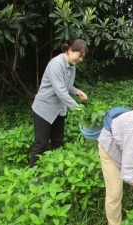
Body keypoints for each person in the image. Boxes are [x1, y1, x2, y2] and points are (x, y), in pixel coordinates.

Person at [30, 38, 89, 167]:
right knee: (41, 142)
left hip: (59, 109)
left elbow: (67, 86)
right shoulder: (56, 64)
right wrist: (79, 108)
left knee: (57, 141)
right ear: (69, 50)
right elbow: (61, 92)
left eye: (82, 57)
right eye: (79, 56)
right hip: (44, 109)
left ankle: (55, 169)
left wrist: (77, 91)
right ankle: (32, 173)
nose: (80, 60)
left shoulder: (72, 65)